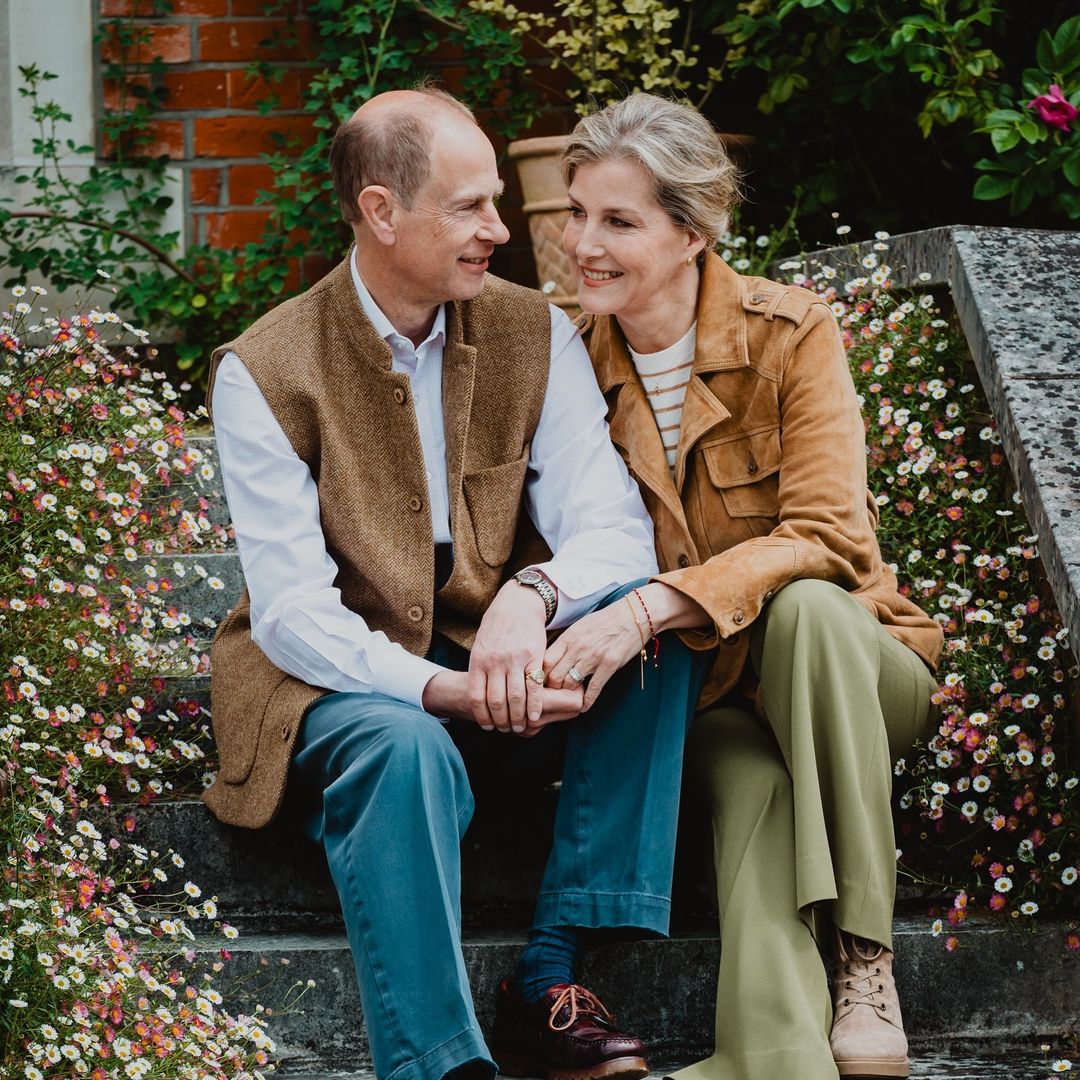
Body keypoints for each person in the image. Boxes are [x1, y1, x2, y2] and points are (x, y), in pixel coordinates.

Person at [203, 84, 707, 1080]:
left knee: (649, 632)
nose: (502, 227)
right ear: (382, 213)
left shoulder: (534, 332)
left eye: (497, 203)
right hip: (333, 690)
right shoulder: (263, 370)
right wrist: (438, 691)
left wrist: (533, 598)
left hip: (491, 650)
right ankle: (440, 1065)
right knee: (406, 749)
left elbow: (613, 530)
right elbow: (296, 614)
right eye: (472, 206)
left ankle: (551, 973)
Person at [543, 94, 944, 1080]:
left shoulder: (791, 332)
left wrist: (655, 601)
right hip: (713, 694)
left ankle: (865, 961)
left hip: (859, 670)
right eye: (575, 212)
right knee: (754, 790)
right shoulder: (560, 356)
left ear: (693, 231)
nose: (581, 244)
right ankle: (776, 1057)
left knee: (805, 607)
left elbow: (829, 534)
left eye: (618, 221)